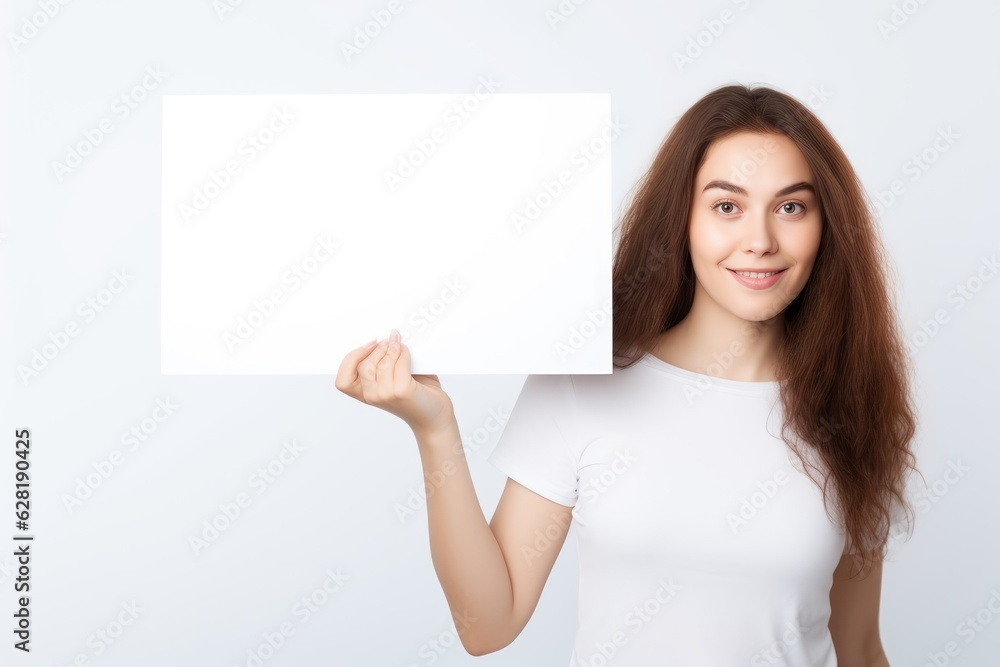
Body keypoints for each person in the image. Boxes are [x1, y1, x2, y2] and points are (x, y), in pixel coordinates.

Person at [335, 83, 921, 665]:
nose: (760, 241)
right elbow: (487, 626)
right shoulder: (581, 385)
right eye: (727, 206)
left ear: (826, 225)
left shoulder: (852, 407)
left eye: (790, 207)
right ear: (682, 218)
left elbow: (861, 650)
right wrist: (434, 431)